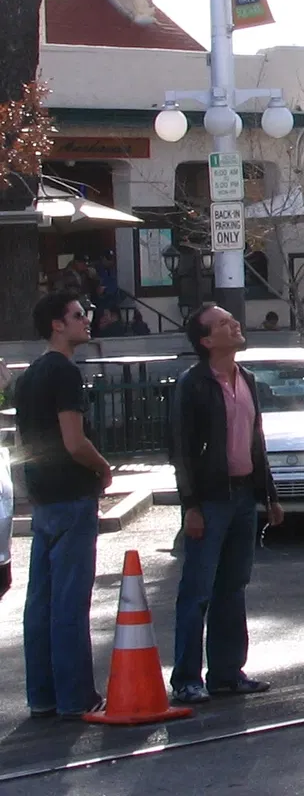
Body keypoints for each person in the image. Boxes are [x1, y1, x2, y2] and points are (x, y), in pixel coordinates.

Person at [169, 303, 283, 704]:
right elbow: (181, 450)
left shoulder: (246, 378)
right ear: (206, 340)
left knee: (233, 587)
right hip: (211, 500)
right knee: (197, 589)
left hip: (242, 497)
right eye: (222, 324)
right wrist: (191, 506)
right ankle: (186, 677)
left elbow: (256, 440)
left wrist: (269, 495)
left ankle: (227, 673)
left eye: (231, 320)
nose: (234, 325)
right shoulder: (194, 383)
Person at [16, 292, 112, 719]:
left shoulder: (30, 375)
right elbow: (74, 441)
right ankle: (76, 696)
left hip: (43, 494)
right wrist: (104, 469)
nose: (85, 320)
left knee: (42, 600)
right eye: (77, 315)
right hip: (72, 494)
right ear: (57, 324)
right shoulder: (65, 374)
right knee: (70, 602)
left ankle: (43, 695)